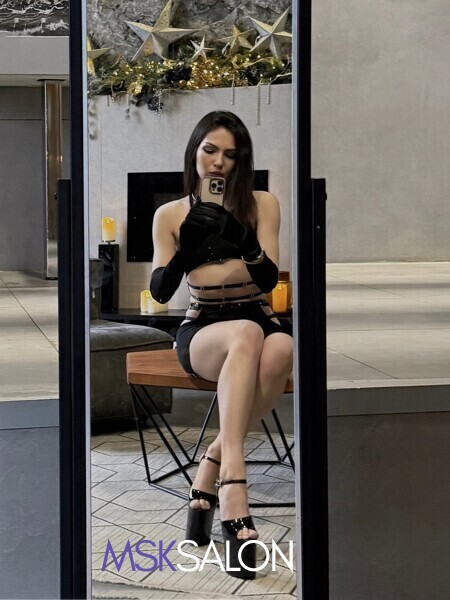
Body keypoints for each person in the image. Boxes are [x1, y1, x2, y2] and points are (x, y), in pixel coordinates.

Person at [150, 110, 293, 578]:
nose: (218, 162)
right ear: (194, 152)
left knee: (281, 348)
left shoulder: (262, 204)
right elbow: (160, 291)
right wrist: (187, 250)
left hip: (258, 317)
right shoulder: (170, 215)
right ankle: (234, 486)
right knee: (246, 334)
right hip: (204, 328)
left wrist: (241, 238)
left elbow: (268, 280)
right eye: (209, 150)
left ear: (240, 161)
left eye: (230, 155)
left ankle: (211, 463)